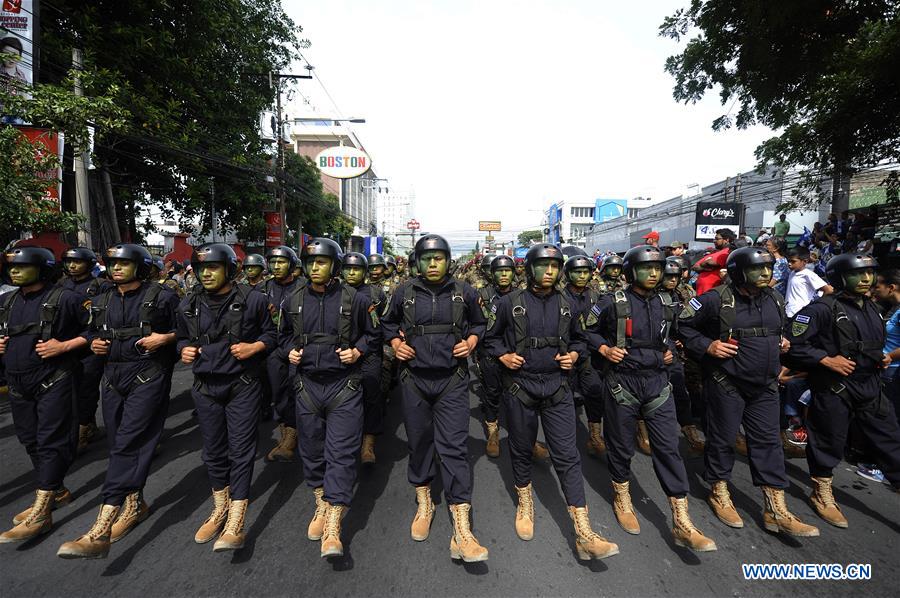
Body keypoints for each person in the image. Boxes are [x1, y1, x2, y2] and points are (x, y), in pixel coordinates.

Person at [485, 244, 618, 560]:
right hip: (520, 388)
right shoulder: (508, 303)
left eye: (555, 266)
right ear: (529, 269)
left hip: (558, 388)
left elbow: (580, 339)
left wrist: (573, 355)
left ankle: (584, 531)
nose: (549, 271)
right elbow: (490, 338)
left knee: (568, 455)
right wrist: (503, 356)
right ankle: (525, 502)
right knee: (520, 448)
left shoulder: (568, 304)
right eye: (543, 265)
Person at [581, 245, 716, 552]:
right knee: (620, 446)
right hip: (623, 383)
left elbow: (679, 331)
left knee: (668, 448)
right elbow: (587, 330)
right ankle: (622, 496)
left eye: (658, 268)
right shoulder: (611, 302)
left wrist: (671, 348)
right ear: (631, 272)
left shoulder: (667, 302)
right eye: (646, 268)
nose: (654, 274)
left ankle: (682, 520)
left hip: (658, 383)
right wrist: (604, 349)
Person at [678, 247, 819, 537]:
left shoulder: (775, 298)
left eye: (768, 268)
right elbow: (682, 325)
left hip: (765, 387)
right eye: (757, 269)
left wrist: (782, 341)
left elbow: (781, 330)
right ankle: (718, 491)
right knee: (722, 439)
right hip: (726, 383)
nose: (765, 274)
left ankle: (776, 508)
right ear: (739, 272)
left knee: (769, 443)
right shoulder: (716, 299)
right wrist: (707, 345)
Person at [57, 244, 179, 559]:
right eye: (112, 263)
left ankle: (101, 527)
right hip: (111, 377)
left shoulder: (163, 296)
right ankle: (135, 504)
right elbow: (89, 332)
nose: (117, 268)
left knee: (128, 443)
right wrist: (93, 343)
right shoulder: (101, 300)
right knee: (117, 443)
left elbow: (188, 329)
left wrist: (166, 338)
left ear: (140, 266)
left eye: (124, 263)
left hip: (148, 374)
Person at [382, 234, 489, 562]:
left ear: (447, 261)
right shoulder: (403, 293)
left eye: (438, 258)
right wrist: (395, 344)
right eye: (426, 259)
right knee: (419, 442)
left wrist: (471, 342)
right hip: (414, 380)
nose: (432, 264)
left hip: (452, 381)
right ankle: (425, 501)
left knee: (455, 447)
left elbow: (480, 324)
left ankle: (462, 529)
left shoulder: (464, 292)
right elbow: (387, 324)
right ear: (418, 262)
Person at [174, 244, 275, 551]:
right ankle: (220, 507)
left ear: (230, 270)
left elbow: (272, 335)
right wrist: (183, 349)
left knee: (241, 451)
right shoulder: (188, 304)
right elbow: (181, 336)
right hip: (205, 388)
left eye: (213, 267)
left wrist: (254, 347)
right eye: (201, 268)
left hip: (242, 385)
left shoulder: (254, 300)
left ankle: (236, 519)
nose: (206, 273)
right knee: (213, 452)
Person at [788, 254, 900, 525]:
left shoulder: (873, 308)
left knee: (891, 441)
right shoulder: (820, 309)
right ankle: (821, 492)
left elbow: (871, 344)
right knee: (828, 441)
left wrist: (880, 357)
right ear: (839, 277)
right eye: (857, 274)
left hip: (870, 387)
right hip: (835, 388)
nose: (866, 279)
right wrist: (824, 359)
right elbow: (792, 347)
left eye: (869, 273)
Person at [285, 238, 377, 558]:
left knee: (341, 454)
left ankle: (334, 523)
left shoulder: (357, 299)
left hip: (344, 387)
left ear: (334, 265)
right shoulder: (292, 299)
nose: (315, 267)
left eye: (322, 262)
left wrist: (358, 351)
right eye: (311, 262)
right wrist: (289, 351)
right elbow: (281, 336)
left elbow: (374, 334)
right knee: (311, 451)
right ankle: (321, 503)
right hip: (307, 387)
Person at [0, 247, 88, 544]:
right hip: (17, 382)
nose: (14, 271)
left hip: (54, 378)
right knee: (30, 439)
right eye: (11, 267)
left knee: (52, 440)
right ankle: (56, 490)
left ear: (43, 269)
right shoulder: (6, 301)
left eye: (22, 266)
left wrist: (64, 346)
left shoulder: (67, 299)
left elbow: (97, 332)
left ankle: (42, 509)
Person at [59, 246, 112, 452]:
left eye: (77, 262)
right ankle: (88, 425)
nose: (72, 266)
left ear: (88, 264)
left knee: (87, 389)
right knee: (68, 390)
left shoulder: (101, 286)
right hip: (65, 346)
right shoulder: (61, 285)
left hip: (91, 346)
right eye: (69, 262)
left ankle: (82, 430)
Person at [340, 252, 386, 464]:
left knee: (371, 391)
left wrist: (360, 349)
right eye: (347, 269)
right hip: (340, 353)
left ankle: (368, 442)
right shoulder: (334, 292)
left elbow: (378, 327)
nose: (351, 273)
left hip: (369, 351)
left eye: (356, 269)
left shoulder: (375, 294)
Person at [261, 246, 303, 462]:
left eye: (281, 262)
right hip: (273, 349)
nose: (276, 266)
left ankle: (293, 435)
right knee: (278, 392)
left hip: (297, 347)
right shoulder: (264, 288)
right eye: (273, 262)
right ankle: (286, 431)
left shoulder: (304, 287)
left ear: (292, 265)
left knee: (297, 390)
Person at [561, 254, 606, 457]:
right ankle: (565, 439)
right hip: (566, 354)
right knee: (564, 399)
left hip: (590, 354)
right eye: (577, 272)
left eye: (585, 272)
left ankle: (595, 436)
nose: (581, 276)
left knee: (595, 393)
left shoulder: (596, 297)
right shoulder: (559, 297)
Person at [475, 254, 516, 458]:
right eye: (500, 271)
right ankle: (493, 432)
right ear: (492, 274)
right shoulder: (482, 295)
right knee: (492, 393)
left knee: (519, 396)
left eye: (507, 271)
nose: (504, 275)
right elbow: (476, 324)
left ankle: (525, 437)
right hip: (489, 353)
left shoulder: (521, 295)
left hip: (514, 353)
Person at [873, 269, 900, 422]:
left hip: (893, 372)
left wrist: (888, 356)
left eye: (877, 287)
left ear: (891, 288)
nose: (874, 290)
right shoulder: (894, 309)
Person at [784, 246, 833, 318]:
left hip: (800, 313)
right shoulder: (792, 273)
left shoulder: (808, 274)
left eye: (793, 261)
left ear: (805, 261)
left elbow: (828, 290)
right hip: (788, 312)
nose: (789, 264)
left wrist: (816, 305)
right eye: (788, 261)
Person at [694, 229, 734, 295]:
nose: (714, 241)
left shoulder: (727, 252)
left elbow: (711, 263)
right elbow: (695, 266)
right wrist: (705, 267)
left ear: (726, 240)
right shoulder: (713, 252)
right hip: (701, 291)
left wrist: (704, 264)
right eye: (714, 239)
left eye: (717, 239)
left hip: (713, 291)